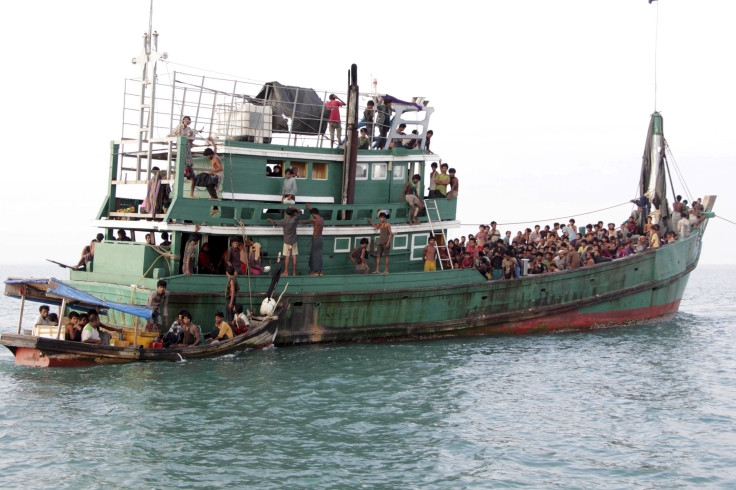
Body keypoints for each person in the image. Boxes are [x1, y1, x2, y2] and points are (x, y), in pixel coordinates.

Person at [268, 207, 301, 276]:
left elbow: (275, 223)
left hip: (287, 241)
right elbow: (300, 211)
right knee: (294, 256)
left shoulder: (284, 221)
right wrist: (294, 207)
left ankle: (286, 272)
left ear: (286, 213)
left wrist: (271, 220)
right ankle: (294, 272)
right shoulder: (294, 218)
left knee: (287, 257)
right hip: (294, 241)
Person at [202, 136, 224, 217]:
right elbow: (215, 147)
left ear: (210, 155)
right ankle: (215, 206)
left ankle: (215, 207)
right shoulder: (213, 154)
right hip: (216, 174)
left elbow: (221, 168)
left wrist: (212, 171)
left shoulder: (215, 158)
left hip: (219, 175)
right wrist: (211, 140)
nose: (207, 157)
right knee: (213, 190)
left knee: (215, 190)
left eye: (207, 156)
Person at [301, 204, 324, 276]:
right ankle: (320, 272)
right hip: (320, 239)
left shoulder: (314, 220)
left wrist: (298, 221)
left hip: (315, 239)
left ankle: (315, 272)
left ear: (313, 214)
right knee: (319, 255)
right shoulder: (321, 219)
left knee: (314, 256)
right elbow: (314, 212)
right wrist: (310, 208)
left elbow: (305, 222)